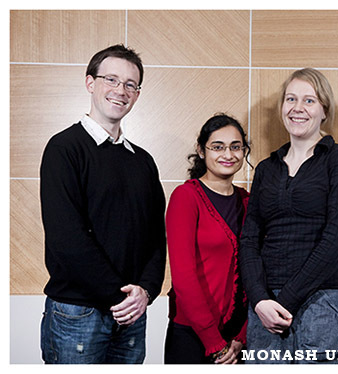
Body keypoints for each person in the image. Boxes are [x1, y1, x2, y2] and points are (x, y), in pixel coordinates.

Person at [39, 44, 166, 364]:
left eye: (130, 85)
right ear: (90, 83)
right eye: (111, 79)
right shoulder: (64, 149)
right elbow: (67, 239)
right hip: (78, 314)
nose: (120, 91)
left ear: (137, 94)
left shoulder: (144, 161)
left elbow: (156, 236)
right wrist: (121, 296)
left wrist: (146, 292)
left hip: (132, 314)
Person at [240, 68, 338, 364]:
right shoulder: (267, 168)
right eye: (291, 99)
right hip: (266, 308)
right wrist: (259, 299)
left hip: (323, 305)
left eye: (309, 101)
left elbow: (337, 241)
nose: (297, 108)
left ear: (324, 110)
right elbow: (249, 239)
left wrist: (285, 300)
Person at [164, 114, 250, 364]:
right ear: (201, 151)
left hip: (237, 338)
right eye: (218, 147)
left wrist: (242, 335)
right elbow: (184, 277)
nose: (228, 154)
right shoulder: (186, 197)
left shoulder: (248, 201)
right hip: (192, 334)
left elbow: (257, 270)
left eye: (236, 147)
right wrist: (214, 343)